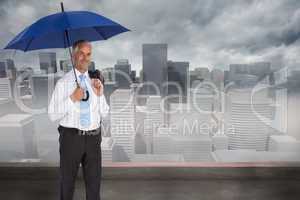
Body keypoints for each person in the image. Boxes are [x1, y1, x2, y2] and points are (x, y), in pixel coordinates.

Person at [48, 40, 109, 200]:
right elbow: (52, 114)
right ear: (74, 55)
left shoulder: (95, 82)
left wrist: (100, 93)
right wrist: (72, 98)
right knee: (67, 183)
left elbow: (105, 113)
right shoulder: (63, 83)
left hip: (94, 138)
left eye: (88, 54)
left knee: (94, 185)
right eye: (81, 53)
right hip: (71, 138)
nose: (85, 58)